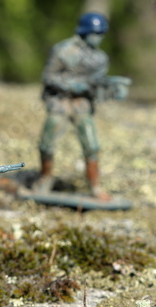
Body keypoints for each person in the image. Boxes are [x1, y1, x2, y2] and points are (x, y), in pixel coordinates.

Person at [35, 11, 119, 199]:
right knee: (47, 144)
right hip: (60, 102)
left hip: (82, 104)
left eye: (101, 34)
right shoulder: (64, 51)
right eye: (94, 34)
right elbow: (49, 76)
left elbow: (97, 85)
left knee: (92, 146)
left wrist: (110, 90)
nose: (98, 39)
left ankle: (95, 186)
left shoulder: (100, 59)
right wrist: (71, 85)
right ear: (84, 32)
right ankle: (45, 178)